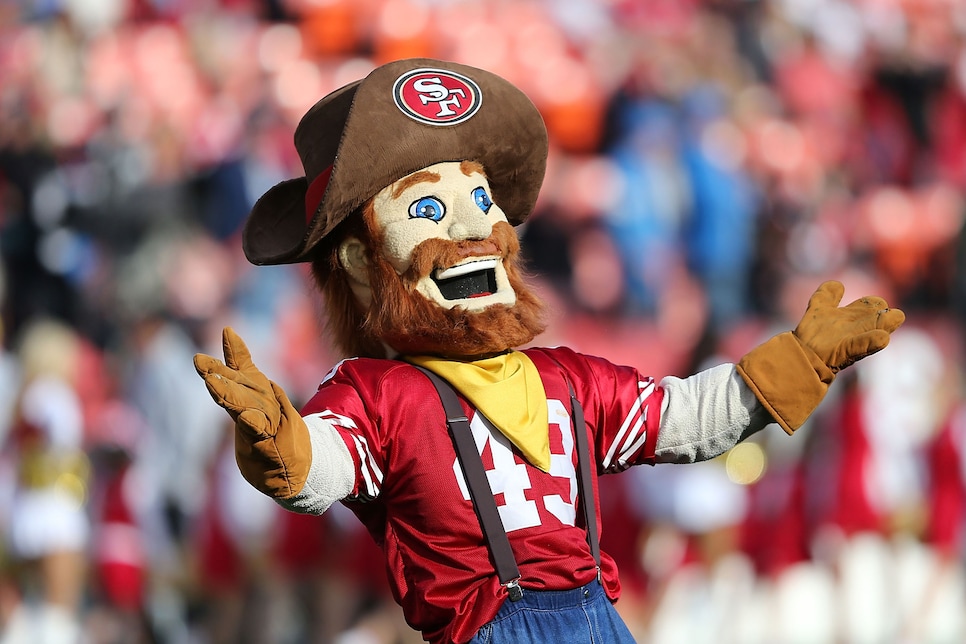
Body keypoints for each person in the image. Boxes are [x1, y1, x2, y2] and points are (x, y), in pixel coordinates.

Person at [193, 58, 905, 643]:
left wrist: (798, 363)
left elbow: (682, 418)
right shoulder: (377, 395)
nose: (473, 232)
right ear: (356, 261)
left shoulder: (568, 378)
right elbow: (326, 463)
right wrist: (276, 442)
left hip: (598, 618)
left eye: (479, 204)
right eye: (428, 211)